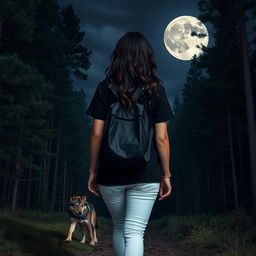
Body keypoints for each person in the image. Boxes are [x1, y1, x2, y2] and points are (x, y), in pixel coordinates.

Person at [86, 31, 173, 256]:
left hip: (110, 172)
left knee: (120, 227)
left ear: (119, 56)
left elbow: (96, 133)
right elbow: (161, 137)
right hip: (146, 173)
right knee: (135, 231)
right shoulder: (156, 90)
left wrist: (93, 170)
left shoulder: (104, 88)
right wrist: (165, 174)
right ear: (147, 57)